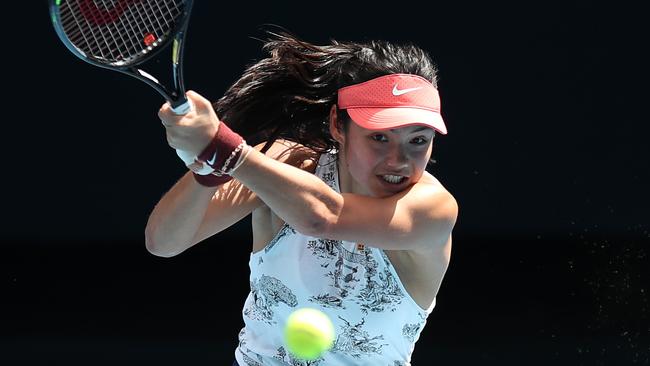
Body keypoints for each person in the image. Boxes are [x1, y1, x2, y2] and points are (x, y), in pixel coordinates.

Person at [146, 29, 458, 366]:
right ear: (339, 125)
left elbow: (322, 218)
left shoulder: (433, 208)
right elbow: (163, 243)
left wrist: (223, 149)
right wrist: (207, 170)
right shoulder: (287, 165)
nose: (398, 160)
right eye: (379, 137)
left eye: (418, 141)